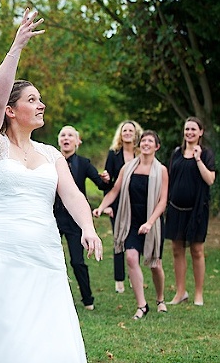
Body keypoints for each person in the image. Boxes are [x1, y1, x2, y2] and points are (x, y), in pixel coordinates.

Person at [0, 8, 103, 363]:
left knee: (44, 334)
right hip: (1, 251)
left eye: (40, 99)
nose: (41, 104)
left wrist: (88, 227)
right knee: (1, 331)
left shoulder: (51, 154)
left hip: (44, 253)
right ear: (11, 110)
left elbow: (73, 196)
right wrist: (16, 47)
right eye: (32, 100)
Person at [93, 130, 169, 319]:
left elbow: (162, 201)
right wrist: (101, 207)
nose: (146, 144)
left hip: (152, 223)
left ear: (156, 147)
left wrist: (150, 223)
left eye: (150, 141)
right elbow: (114, 190)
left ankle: (160, 299)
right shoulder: (127, 168)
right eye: (143, 141)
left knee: (155, 265)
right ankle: (142, 305)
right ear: (139, 145)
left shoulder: (161, 171)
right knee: (131, 259)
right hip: (131, 221)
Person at [164, 116, 216, 307]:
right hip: (176, 209)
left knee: (197, 250)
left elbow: (210, 179)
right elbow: (169, 178)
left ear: (200, 132)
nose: (190, 133)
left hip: (197, 211)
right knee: (177, 250)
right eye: (187, 129)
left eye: (193, 129)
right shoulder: (176, 153)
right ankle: (180, 292)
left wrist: (198, 159)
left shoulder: (206, 154)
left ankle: (199, 294)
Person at [55, 125, 104, 311]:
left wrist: (107, 178)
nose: (66, 138)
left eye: (70, 135)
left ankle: (87, 299)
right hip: (54, 218)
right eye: (63, 135)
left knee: (77, 261)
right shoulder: (51, 161)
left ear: (78, 141)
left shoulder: (83, 163)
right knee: (52, 259)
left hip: (75, 220)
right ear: (59, 140)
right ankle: (54, 298)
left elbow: (100, 184)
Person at [99, 119, 142, 293]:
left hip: (137, 203)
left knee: (133, 241)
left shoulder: (141, 153)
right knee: (119, 240)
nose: (127, 133)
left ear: (136, 133)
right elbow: (108, 180)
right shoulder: (114, 153)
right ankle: (119, 279)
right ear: (120, 134)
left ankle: (135, 276)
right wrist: (107, 205)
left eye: (130, 130)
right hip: (117, 203)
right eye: (124, 131)